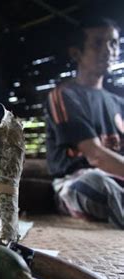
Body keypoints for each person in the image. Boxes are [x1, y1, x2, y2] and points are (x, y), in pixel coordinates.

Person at [45, 17, 124, 228]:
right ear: (76, 53)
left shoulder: (119, 103)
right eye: (98, 43)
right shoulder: (64, 95)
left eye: (113, 43)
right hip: (76, 182)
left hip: (120, 180)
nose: (109, 50)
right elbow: (96, 156)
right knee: (95, 184)